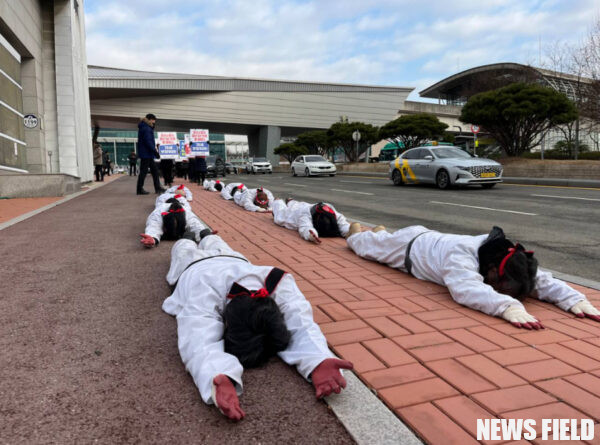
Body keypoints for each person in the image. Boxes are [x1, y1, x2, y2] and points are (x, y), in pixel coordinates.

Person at [162, 232, 353, 420]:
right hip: (194, 266)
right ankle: (190, 238)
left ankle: (203, 236)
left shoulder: (279, 281)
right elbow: (196, 335)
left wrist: (318, 360)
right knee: (182, 248)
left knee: (210, 241)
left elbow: (301, 322)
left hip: (231, 259)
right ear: (225, 322)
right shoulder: (203, 289)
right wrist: (214, 372)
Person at [346, 224, 600, 329]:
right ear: (492, 271)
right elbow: (464, 290)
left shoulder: (509, 257)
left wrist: (573, 299)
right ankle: (356, 230)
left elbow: (539, 280)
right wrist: (506, 306)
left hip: (423, 237)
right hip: (406, 248)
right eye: (504, 288)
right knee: (361, 245)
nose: (504, 292)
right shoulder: (462, 256)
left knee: (381, 237)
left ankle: (381, 231)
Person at [272, 199, 350, 244]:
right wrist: (311, 235)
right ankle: (278, 201)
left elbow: (343, 223)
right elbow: (305, 228)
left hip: (304, 205)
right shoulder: (305, 215)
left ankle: (290, 200)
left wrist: (350, 231)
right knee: (279, 215)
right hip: (294, 212)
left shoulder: (330, 210)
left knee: (296, 203)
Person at [139, 198, 207, 248]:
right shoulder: (159, 211)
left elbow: (195, 223)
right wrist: (153, 238)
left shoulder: (186, 212)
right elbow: (153, 224)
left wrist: (205, 235)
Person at [136, 113, 165, 195]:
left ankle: (157, 188)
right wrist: (155, 152)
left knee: (154, 171)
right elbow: (148, 142)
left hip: (146, 153)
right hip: (147, 153)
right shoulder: (147, 128)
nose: (154, 122)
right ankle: (139, 189)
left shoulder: (144, 127)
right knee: (144, 172)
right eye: (154, 120)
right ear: (150, 119)